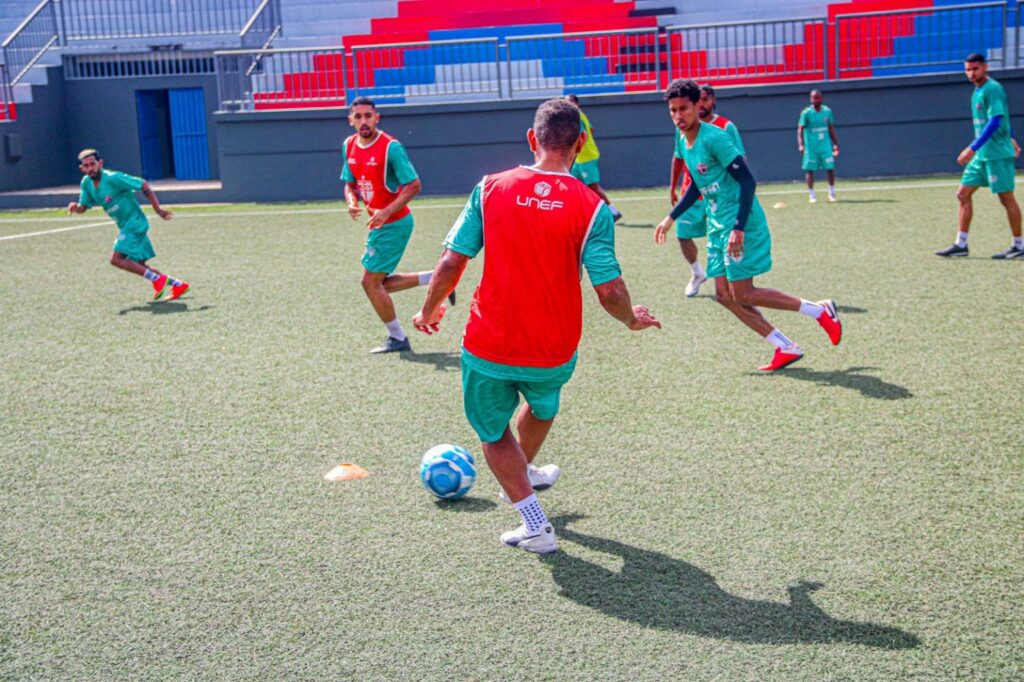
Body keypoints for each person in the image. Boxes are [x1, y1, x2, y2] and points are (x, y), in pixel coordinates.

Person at [412, 99, 660, 554]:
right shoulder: (593, 207)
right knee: (542, 407)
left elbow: (451, 262)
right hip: (554, 345)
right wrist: (631, 320)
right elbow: (610, 290)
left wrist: (428, 311)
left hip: (490, 341)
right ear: (580, 144)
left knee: (493, 434)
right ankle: (524, 474)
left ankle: (533, 521)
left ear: (532, 139)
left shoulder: (490, 188)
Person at [654, 79, 841, 372]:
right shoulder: (681, 139)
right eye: (673, 110)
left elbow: (748, 180)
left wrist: (738, 228)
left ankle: (819, 310)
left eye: (684, 109)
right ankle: (785, 346)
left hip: (739, 223)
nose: (678, 115)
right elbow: (697, 185)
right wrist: (671, 217)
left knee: (743, 293)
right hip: (718, 226)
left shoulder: (715, 138)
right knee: (723, 296)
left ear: (697, 106)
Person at [341, 97, 454, 354]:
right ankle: (438, 279)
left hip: (395, 223)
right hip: (378, 224)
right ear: (350, 121)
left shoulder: (391, 148)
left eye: (368, 115)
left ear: (377, 117)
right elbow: (350, 183)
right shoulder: (348, 146)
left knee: (369, 283)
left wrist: (386, 210)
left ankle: (398, 338)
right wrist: (351, 201)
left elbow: (414, 184)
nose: (363, 121)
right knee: (378, 283)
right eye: (357, 117)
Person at [67, 149, 189, 300]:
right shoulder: (86, 183)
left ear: (100, 163)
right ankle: (178, 285)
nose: (90, 168)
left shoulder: (113, 178)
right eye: (86, 165)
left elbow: (142, 184)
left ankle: (158, 280)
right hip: (125, 225)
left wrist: (158, 209)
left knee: (116, 259)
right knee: (139, 264)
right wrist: (76, 208)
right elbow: (83, 207)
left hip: (135, 222)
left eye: (93, 164)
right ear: (82, 168)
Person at [936, 53, 1024, 259]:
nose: (971, 73)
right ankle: (961, 244)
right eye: (967, 69)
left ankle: (1019, 245)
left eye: (975, 69)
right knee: (962, 194)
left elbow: (995, 121)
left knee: (1005, 197)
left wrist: (972, 147)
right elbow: (1001, 119)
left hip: (995, 154)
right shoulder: (977, 91)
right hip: (982, 155)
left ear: (985, 67)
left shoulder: (993, 89)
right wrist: (1011, 137)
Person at [669, 84, 745, 298]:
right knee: (682, 235)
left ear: (712, 101)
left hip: (720, 198)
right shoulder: (682, 129)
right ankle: (697, 273)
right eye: (674, 110)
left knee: (724, 248)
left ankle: (734, 284)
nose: (702, 104)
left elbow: (741, 163)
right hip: (691, 192)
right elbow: (678, 158)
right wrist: (673, 187)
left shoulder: (724, 128)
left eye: (705, 100)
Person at [566, 94, 623, 222]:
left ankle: (613, 212)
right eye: (567, 103)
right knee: (573, 185)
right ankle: (581, 213)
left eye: (571, 102)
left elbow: (581, 134)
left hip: (587, 156)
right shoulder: (579, 115)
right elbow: (591, 129)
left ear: (577, 104)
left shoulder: (577, 116)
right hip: (579, 158)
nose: (569, 105)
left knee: (593, 187)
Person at [797, 90, 839, 203]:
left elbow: (831, 128)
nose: (816, 100)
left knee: (830, 169)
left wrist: (835, 144)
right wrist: (801, 145)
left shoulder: (827, 111)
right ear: (811, 99)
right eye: (814, 98)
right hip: (811, 147)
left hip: (825, 146)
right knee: (810, 170)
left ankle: (832, 193)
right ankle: (812, 195)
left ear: (821, 98)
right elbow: (800, 129)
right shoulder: (806, 113)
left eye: (818, 98)